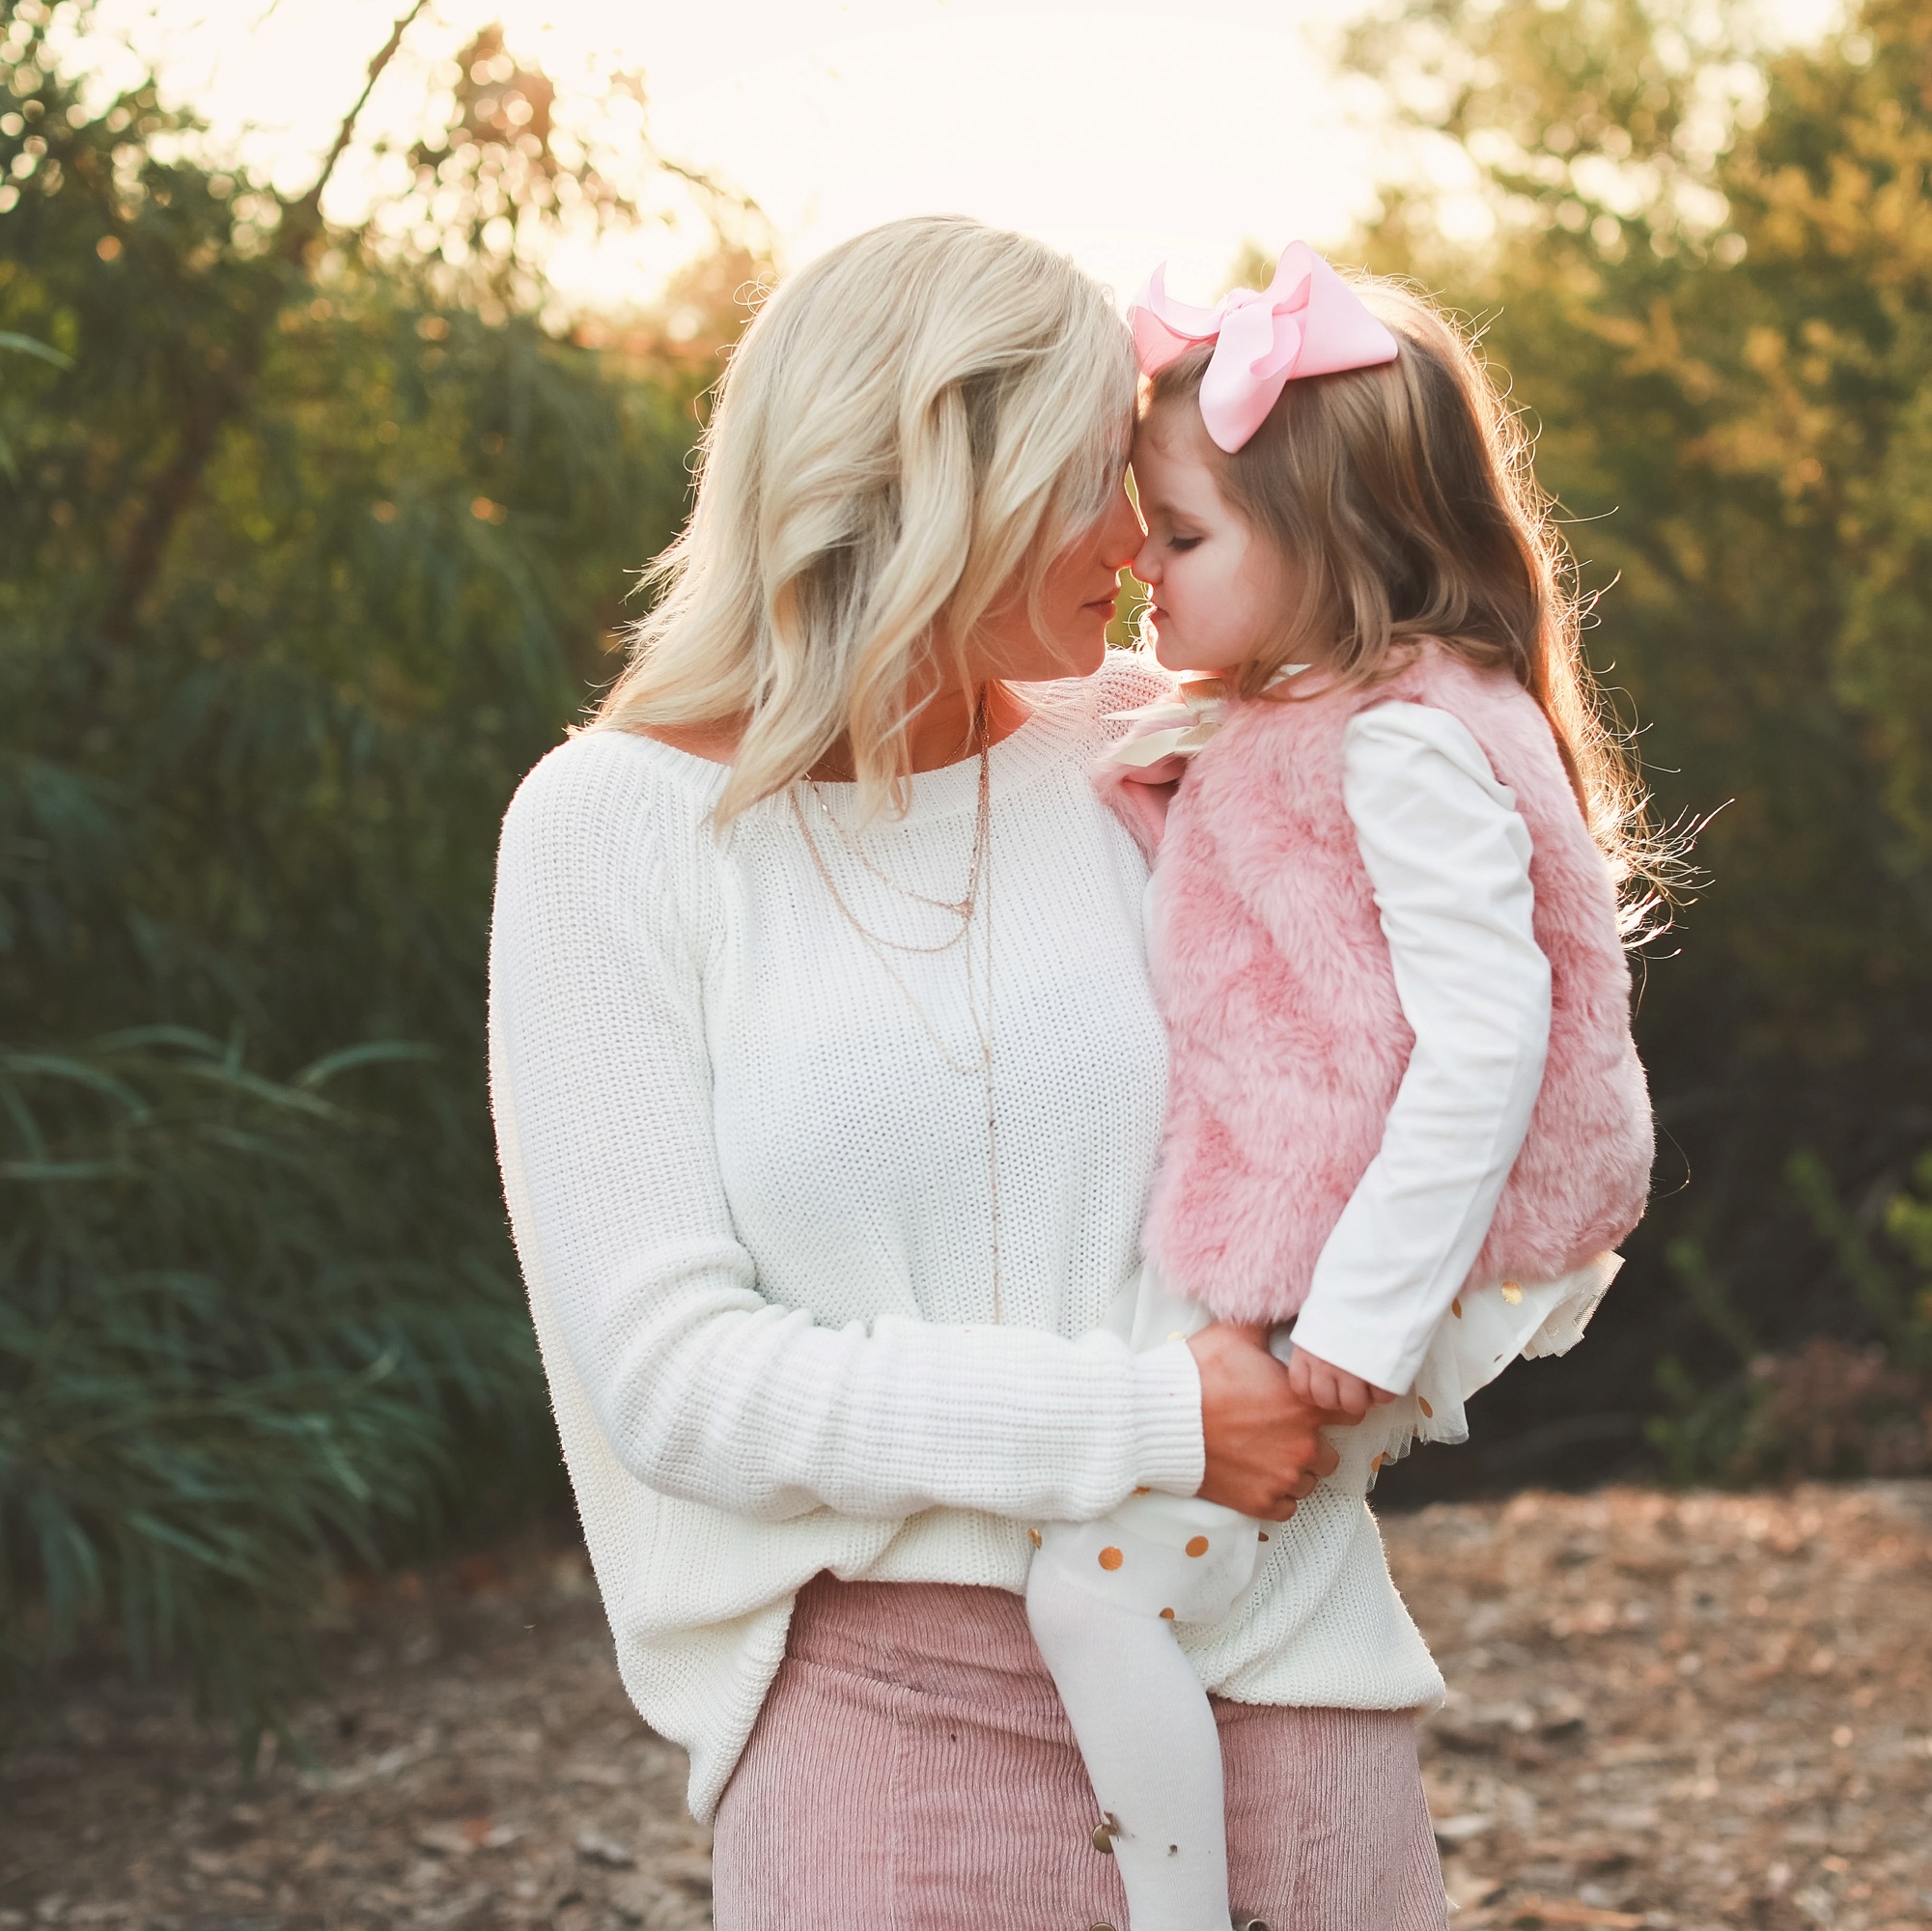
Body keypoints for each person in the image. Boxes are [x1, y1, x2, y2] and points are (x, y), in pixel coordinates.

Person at [485, 217, 1455, 1929]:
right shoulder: (609, 832)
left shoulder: (1160, 743)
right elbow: (675, 1380)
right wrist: (1155, 1417)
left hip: (1275, 1666)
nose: (1141, 544)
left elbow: (1433, 1056)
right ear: (948, 472)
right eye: (1102, 479)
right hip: (893, 1728)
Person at [1018, 244, 1660, 1931]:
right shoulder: (1320, 706)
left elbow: (1485, 1046)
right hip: (1343, 1251)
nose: (1142, 571)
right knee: (1127, 1578)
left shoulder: (1407, 739)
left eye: (1182, 538)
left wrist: (1356, 1335)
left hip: (1390, 1272)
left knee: (1091, 1598)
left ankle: (1176, 1914)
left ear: (1337, 546)